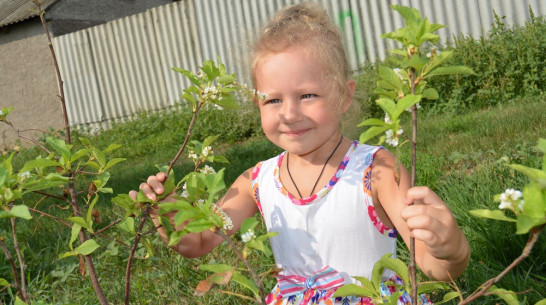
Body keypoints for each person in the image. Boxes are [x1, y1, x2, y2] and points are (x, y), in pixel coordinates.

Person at [129, 3, 470, 304]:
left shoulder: (375, 170)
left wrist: (450, 249)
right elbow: (199, 242)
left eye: (307, 95)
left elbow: (431, 265)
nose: (289, 113)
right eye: (273, 100)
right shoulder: (256, 181)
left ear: (343, 96)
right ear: (257, 104)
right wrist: (168, 212)